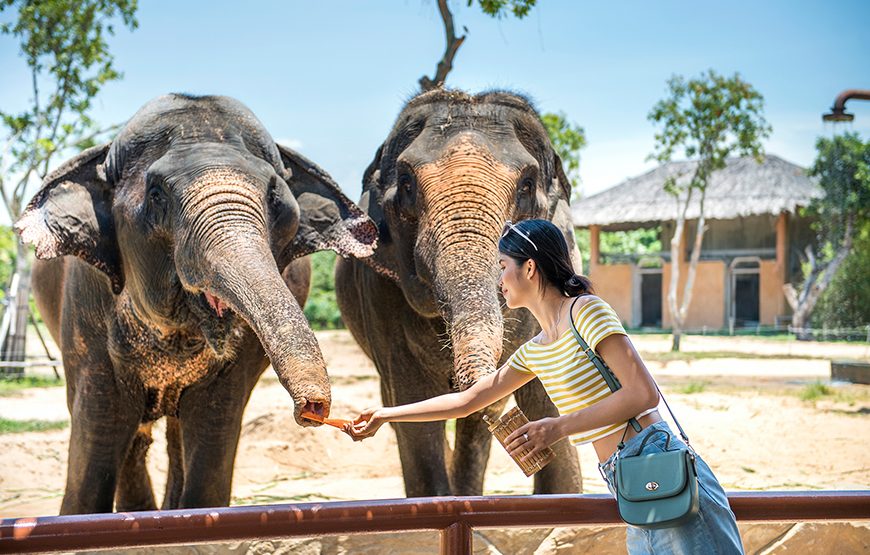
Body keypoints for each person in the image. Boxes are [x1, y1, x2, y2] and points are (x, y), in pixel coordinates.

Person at [347, 218, 744, 554]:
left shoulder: (586, 310)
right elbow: (468, 401)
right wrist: (386, 414)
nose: (498, 279)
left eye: (503, 266)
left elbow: (642, 394)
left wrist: (556, 427)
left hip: (656, 460)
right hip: (626, 481)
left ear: (530, 268)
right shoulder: (535, 350)